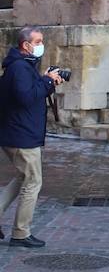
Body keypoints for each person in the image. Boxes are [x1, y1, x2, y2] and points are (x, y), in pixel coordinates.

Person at [0, 26, 64, 248]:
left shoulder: (22, 66)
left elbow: (28, 93)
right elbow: (26, 98)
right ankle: (20, 233)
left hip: (19, 132)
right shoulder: (19, 68)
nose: (41, 45)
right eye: (37, 42)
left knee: (22, 177)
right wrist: (46, 82)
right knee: (33, 181)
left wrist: (46, 79)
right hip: (21, 136)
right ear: (25, 45)